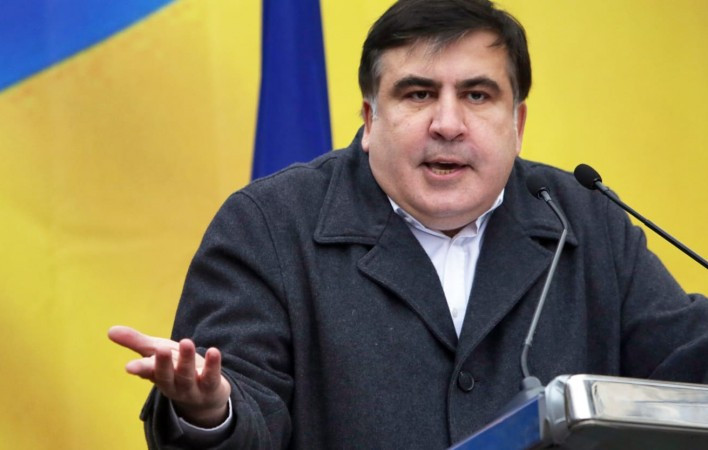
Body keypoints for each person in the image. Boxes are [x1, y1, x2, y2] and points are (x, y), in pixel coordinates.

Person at [109, 0, 708, 448]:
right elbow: (244, 405)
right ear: (370, 119)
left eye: (477, 96)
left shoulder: (583, 218)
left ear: (518, 123)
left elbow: (680, 369)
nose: (448, 124)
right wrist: (212, 411)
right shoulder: (267, 226)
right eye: (418, 94)